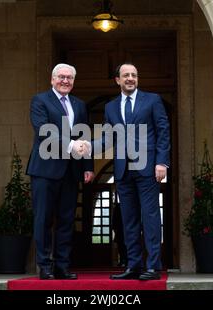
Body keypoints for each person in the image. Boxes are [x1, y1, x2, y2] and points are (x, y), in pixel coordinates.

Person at [81, 63, 170, 280]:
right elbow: (109, 137)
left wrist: (162, 163)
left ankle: (153, 267)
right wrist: (90, 146)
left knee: (149, 217)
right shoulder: (111, 107)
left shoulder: (152, 100)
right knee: (128, 219)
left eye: (134, 75)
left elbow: (163, 130)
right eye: (126, 75)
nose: (130, 78)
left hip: (148, 167)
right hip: (123, 170)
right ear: (117, 80)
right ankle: (134, 265)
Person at [26, 63, 95, 280]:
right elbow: (43, 131)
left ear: (74, 81)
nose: (65, 81)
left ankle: (62, 266)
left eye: (70, 78)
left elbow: (85, 136)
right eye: (61, 77)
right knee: (44, 219)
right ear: (52, 79)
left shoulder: (80, 105)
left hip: (71, 171)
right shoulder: (40, 100)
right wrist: (70, 146)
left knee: (66, 220)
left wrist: (88, 166)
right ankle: (45, 265)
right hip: (45, 169)